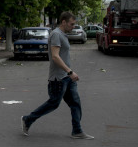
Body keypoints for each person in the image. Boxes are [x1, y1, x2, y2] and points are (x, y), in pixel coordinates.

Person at [21, 11, 94, 139]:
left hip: (67, 77)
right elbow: (55, 57)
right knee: (53, 103)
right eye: (71, 24)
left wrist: (69, 73)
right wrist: (70, 72)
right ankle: (28, 119)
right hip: (58, 78)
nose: (73, 26)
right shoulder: (56, 34)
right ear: (64, 22)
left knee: (75, 103)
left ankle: (77, 131)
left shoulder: (63, 34)